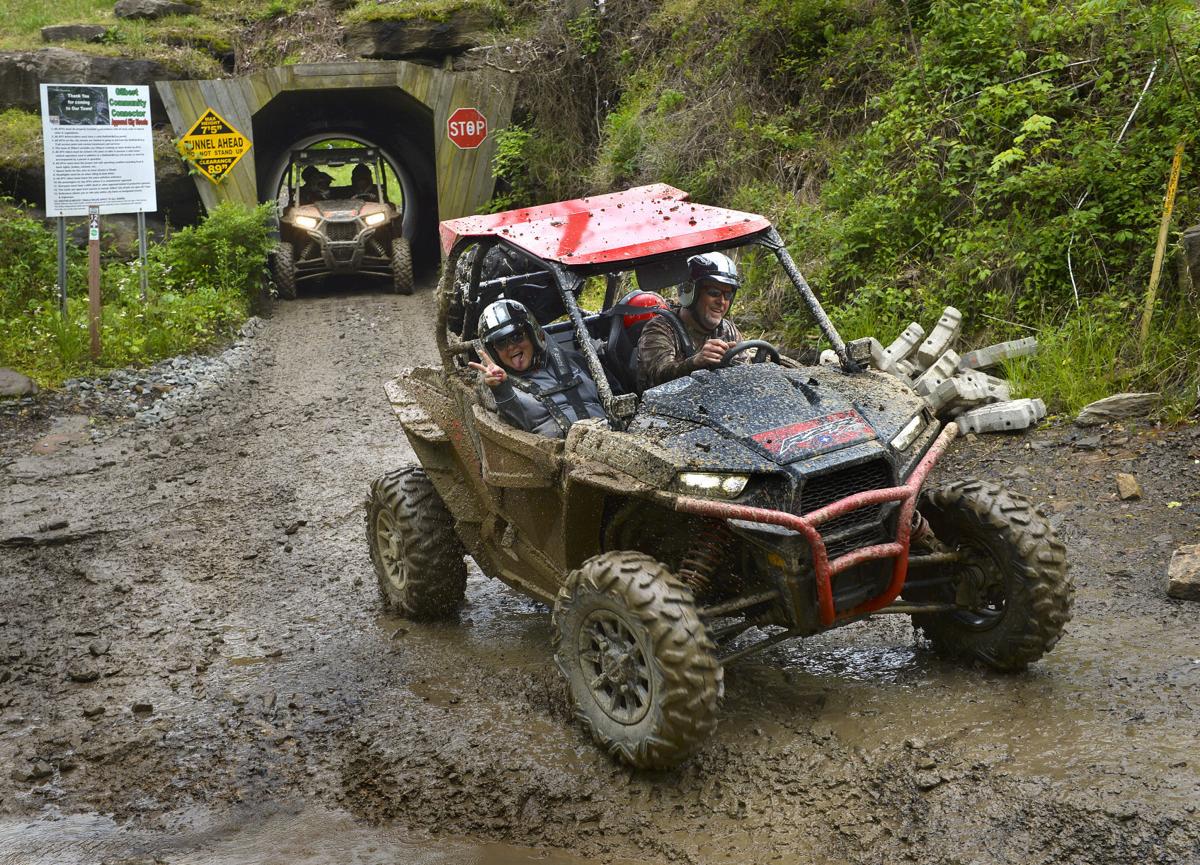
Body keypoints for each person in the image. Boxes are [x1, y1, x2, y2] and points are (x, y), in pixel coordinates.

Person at [468, 299, 609, 439]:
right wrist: (501, 389)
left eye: (517, 336)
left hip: (610, 436)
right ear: (494, 352)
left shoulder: (572, 361)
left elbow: (614, 392)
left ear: (532, 335)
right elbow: (512, 421)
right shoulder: (495, 385)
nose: (510, 347)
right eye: (500, 343)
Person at [637, 251, 749, 391]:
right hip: (662, 409)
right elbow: (658, 375)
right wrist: (696, 362)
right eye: (714, 293)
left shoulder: (727, 330)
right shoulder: (660, 328)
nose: (722, 302)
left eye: (728, 295)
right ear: (690, 292)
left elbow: (745, 373)